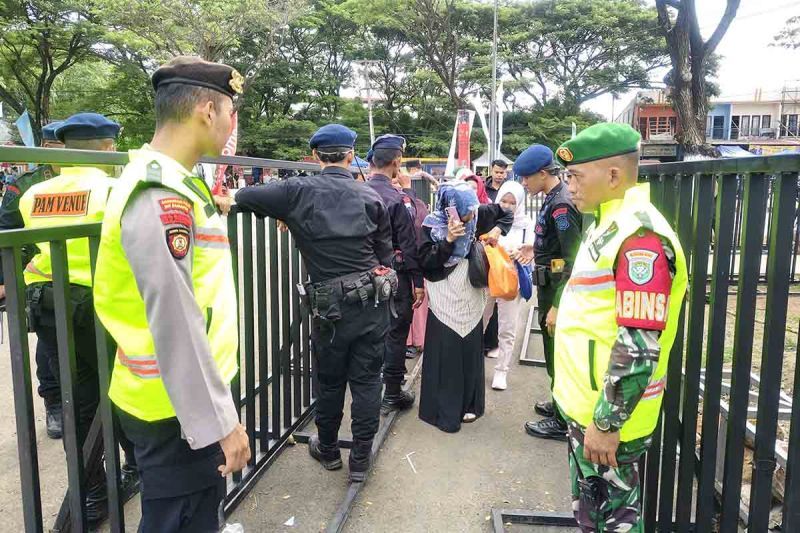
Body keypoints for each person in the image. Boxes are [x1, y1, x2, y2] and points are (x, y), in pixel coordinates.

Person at [93, 57, 251, 533]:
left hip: (179, 398)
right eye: (231, 113)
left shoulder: (177, 182)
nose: (231, 127)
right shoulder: (158, 192)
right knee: (179, 520)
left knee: (197, 514)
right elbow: (176, 318)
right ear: (207, 111)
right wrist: (220, 422)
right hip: (175, 408)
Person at [235, 124, 394, 484]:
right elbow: (385, 255)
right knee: (368, 381)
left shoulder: (296, 192)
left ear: (315, 157)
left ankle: (327, 449)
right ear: (351, 155)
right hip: (372, 300)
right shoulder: (370, 195)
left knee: (330, 378)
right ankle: (361, 459)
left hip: (331, 307)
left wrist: (287, 217)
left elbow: (245, 196)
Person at [551, 123, 687, 531]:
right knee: (593, 514)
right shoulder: (609, 221)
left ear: (612, 175)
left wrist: (608, 423)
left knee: (616, 521)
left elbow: (639, 343)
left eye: (575, 176)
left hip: (608, 416)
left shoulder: (639, 237)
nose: (568, 186)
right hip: (589, 406)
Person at [18, 113, 127, 526]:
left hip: (51, 302)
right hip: (100, 304)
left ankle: (93, 491)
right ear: (108, 148)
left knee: (77, 402)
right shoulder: (115, 190)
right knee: (122, 390)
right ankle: (127, 471)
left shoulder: (35, 194)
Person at [417, 181, 512, 433]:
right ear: (451, 209)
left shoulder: (477, 213)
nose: (471, 216)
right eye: (466, 212)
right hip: (443, 292)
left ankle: (471, 405)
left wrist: (497, 231)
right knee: (445, 351)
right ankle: (443, 412)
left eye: (472, 210)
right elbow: (426, 261)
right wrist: (448, 240)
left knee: (470, 348)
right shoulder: (431, 224)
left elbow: (506, 212)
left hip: (470, 289)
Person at [512, 145, 583, 442]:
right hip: (549, 285)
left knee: (558, 354)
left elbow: (572, 258)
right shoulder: (552, 198)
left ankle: (562, 420)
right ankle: (558, 404)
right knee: (553, 351)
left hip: (558, 290)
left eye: (527, 178)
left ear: (543, 173)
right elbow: (552, 242)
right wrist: (535, 248)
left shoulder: (562, 204)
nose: (524, 183)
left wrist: (557, 306)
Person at [0, 120, 62, 438]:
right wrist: (4, 279)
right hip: (41, 277)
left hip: (90, 276)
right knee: (48, 344)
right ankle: (54, 403)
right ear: (47, 147)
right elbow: (6, 230)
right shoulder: (27, 183)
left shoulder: (95, 176)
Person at [366, 135, 424, 412]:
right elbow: (410, 242)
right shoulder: (398, 199)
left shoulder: (357, 192)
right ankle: (391, 392)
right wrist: (418, 282)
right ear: (397, 161)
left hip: (360, 275)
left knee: (367, 332)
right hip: (393, 274)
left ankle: (367, 389)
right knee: (396, 333)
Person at [481, 181, 534, 391]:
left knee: (508, 328)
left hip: (512, 282)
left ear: (520, 203)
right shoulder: (489, 219)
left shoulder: (527, 224)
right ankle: (473, 365)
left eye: (513, 202)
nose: (507, 205)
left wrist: (519, 254)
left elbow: (531, 254)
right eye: (503, 200)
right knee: (479, 323)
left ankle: (501, 371)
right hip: (488, 278)